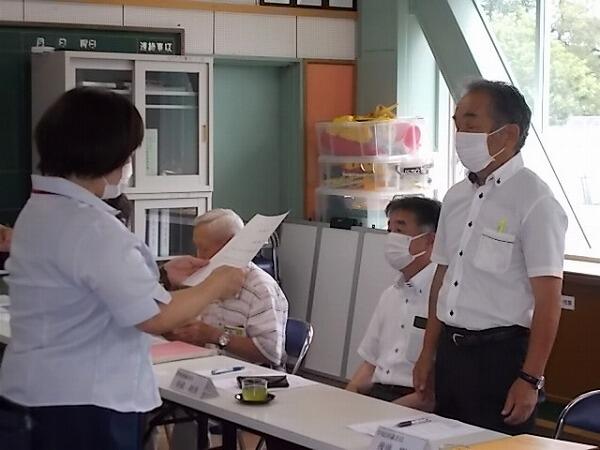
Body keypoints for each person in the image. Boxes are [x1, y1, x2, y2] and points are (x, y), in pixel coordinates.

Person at [0, 87, 246, 450]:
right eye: (129, 153)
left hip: (37, 392)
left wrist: (163, 277)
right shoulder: (93, 226)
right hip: (86, 403)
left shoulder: (41, 211)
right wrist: (215, 284)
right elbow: (155, 317)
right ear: (108, 154)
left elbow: (90, 287)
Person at [413, 80, 568, 434]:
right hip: (451, 352)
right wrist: (427, 353)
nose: (460, 135)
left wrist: (530, 378)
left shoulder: (535, 201)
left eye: (470, 124)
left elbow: (549, 300)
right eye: (456, 124)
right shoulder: (456, 197)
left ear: (508, 134)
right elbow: (442, 279)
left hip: (500, 357)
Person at [346, 197, 440, 411]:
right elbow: (370, 365)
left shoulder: (443, 299)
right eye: (389, 230)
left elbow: (431, 394)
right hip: (379, 394)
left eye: (400, 230)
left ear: (430, 240)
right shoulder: (391, 295)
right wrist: (347, 399)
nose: (392, 238)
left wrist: (382, 414)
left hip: (415, 403)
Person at [166, 208, 288, 367]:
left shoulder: (261, 289)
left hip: (247, 376)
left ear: (231, 245)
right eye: (197, 247)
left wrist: (214, 336)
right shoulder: (202, 280)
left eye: (204, 249)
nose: (198, 256)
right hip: (203, 366)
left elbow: (271, 353)